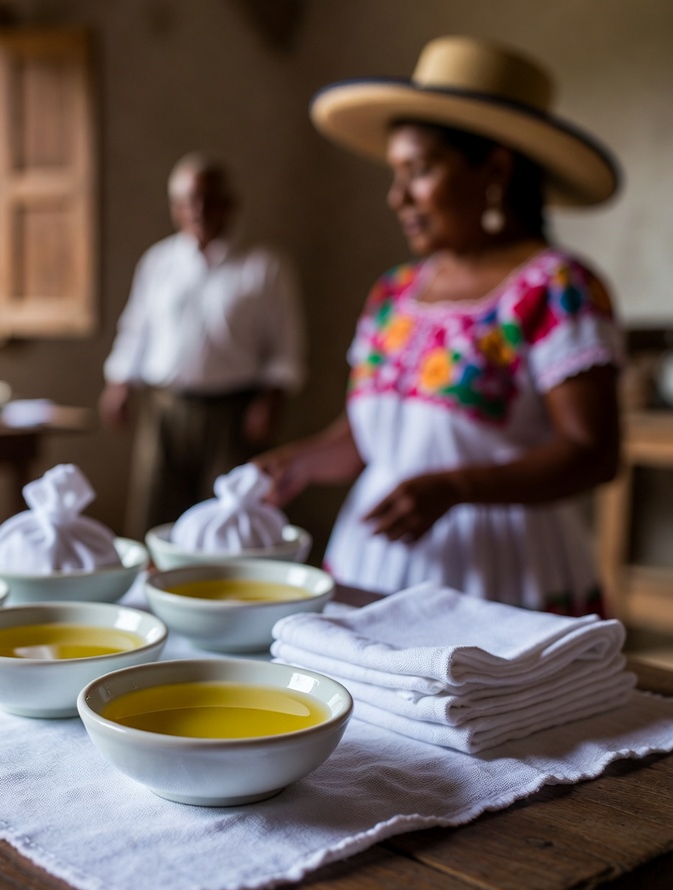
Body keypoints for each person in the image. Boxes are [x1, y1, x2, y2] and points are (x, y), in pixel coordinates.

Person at [255, 35, 622, 616]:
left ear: (495, 169)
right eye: (395, 173)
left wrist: (457, 488)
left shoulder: (556, 288)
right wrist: (296, 462)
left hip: (505, 577)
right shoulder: (396, 292)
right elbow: (373, 436)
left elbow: (592, 451)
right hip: (374, 562)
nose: (398, 196)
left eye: (421, 170)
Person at [99, 152, 306, 539]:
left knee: (230, 520)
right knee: (156, 513)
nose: (198, 210)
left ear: (229, 204)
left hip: (232, 412)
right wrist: (119, 383)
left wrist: (271, 401)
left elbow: (286, 345)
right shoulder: (158, 262)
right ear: (176, 208)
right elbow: (136, 328)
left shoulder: (263, 267)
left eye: (208, 200)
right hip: (166, 409)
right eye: (187, 201)